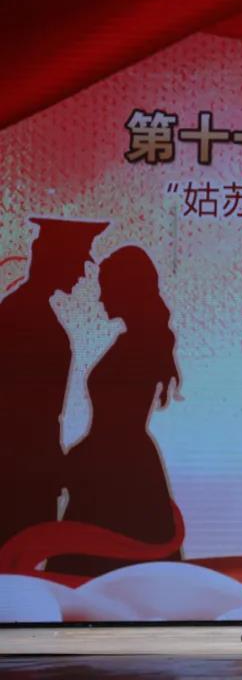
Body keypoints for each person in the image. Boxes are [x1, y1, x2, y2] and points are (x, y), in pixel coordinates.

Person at [53, 246, 182, 576]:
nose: (100, 298)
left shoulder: (136, 345)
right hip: (116, 463)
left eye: (105, 288)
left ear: (126, 290)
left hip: (116, 468)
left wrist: (73, 461)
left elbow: (116, 422)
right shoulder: (137, 340)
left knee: (98, 569)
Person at [0, 217, 108, 554]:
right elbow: (24, 411)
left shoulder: (25, 310)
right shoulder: (22, 315)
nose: (82, 272)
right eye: (78, 260)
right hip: (20, 472)